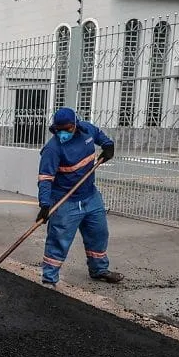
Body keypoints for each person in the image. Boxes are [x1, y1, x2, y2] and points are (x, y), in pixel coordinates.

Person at [37, 107, 124, 286]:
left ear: (75, 125)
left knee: (98, 234)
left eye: (67, 129)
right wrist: (45, 204)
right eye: (59, 129)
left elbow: (101, 136)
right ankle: (49, 279)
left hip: (90, 196)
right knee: (58, 241)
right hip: (65, 202)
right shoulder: (52, 149)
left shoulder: (87, 130)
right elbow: (45, 179)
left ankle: (99, 269)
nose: (63, 133)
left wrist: (108, 146)